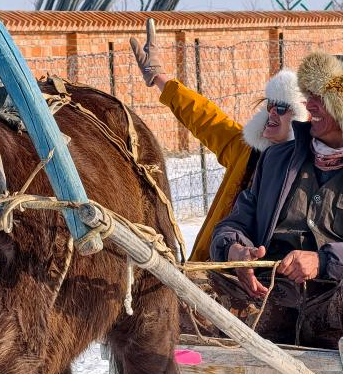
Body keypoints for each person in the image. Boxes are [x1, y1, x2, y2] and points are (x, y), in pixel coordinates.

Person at [209, 51, 343, 346]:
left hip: (336, 309)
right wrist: (234, 251)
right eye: (310, 95)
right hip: (268, 298)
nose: (309, 105)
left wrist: (323, 262)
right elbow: (235, 224)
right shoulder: (277, 159)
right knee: (174, 292)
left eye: (321, 98)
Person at [129, 18, 307, 263]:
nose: (272, 113)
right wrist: (160, 78)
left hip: (266, 276)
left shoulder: (308, 169)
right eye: (270, 105)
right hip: (211, 265)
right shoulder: (246, 150)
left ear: (300, 117)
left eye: (283, 108)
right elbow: (204, 117)